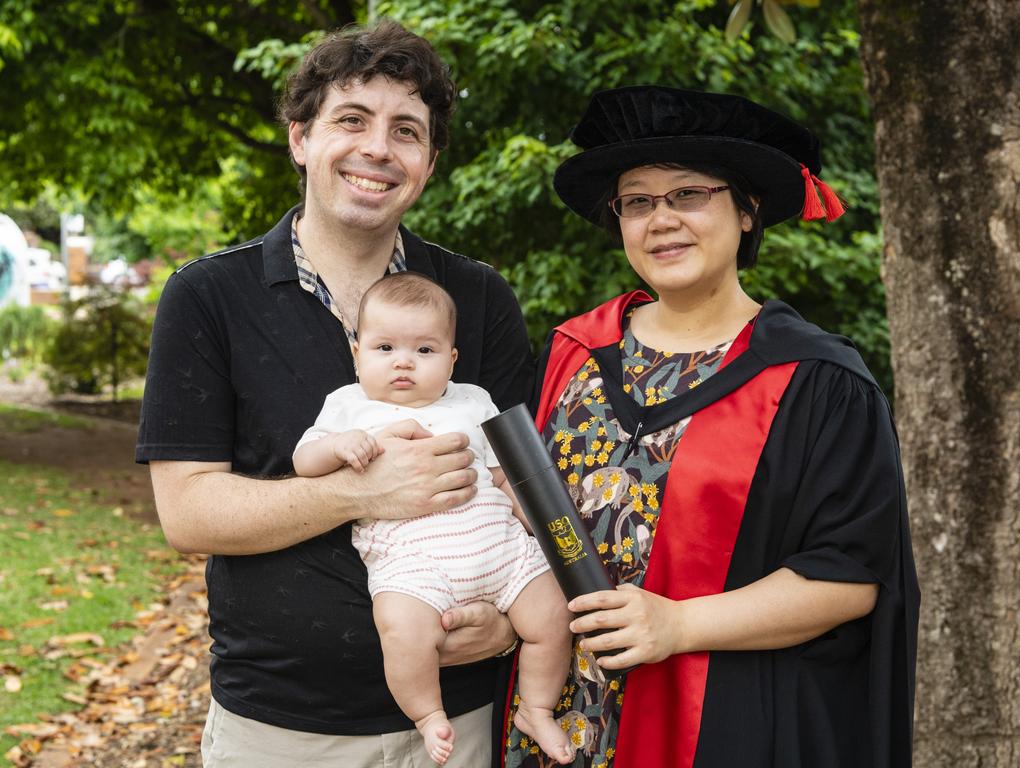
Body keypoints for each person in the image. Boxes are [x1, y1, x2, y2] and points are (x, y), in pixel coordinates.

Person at [136, 20, 534, 768]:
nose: (378, 148)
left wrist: (514, 622)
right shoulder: (208, 296)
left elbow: (531, 490)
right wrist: (362, 493)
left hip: (457, 720)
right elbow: (188, 512)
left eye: (406, 131)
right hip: (281, 729)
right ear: (299, 139)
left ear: (428, 162)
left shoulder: (478, 300)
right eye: (351, 120)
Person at [502, 86, 919, 768]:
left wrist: (678, 622)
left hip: (722, 723)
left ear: (748, 211)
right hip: (557, 725)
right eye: (637, 201)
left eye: (690, 194)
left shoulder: (817, 380)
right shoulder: (570, 354)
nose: (660, 220)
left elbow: (851, 576)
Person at [292, 272, 574, 766]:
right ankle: (427, 714)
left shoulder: (474, 401)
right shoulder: (348, 407)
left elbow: (502, 476)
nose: (403, 361)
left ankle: (536, 707)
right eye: (384, 348)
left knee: (553, 614)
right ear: (357, 354)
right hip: (415, 560)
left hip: (500, 549)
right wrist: (338, 447)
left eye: (425, 350)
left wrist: (542, 529)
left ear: (452, 359)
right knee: (401, 630)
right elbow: (304, 461)